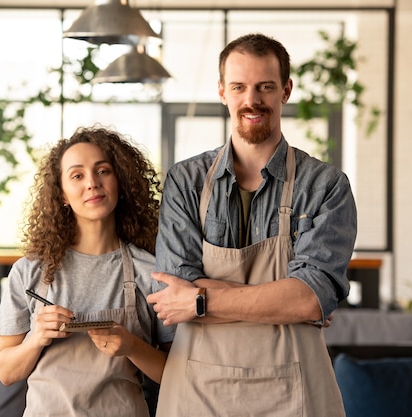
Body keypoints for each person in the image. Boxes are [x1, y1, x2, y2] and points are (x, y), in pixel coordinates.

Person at [147, 33, 357, 416]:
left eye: (265, 87)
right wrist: (284, 300)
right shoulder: (185, 180)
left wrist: (199, 301)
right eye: (239, 87)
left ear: (286, 90)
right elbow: (174, 285)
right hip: (197, 393)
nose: (252, 100)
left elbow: (309, 298)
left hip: (297, 396)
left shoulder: (326, 186)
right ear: (222, 92)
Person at [0, 125, 172, 417]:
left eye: (103, 171)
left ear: (120, 182)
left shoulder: (151, 272)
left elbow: (175, 374)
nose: (92, 183)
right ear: (62, 194)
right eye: (77, 175)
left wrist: (132, 346)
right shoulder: (28, 273)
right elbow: (6, 372)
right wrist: (36, 336)